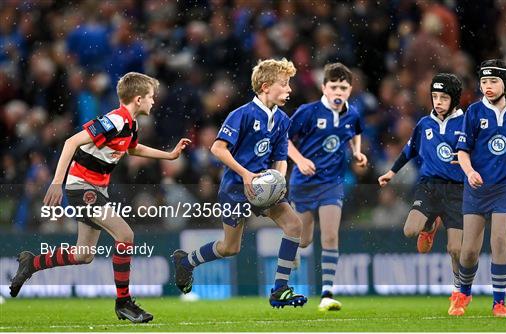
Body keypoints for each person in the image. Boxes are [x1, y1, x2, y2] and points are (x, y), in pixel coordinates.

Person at [9, 72, 191, 323]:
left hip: (95, 189)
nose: (153, 101)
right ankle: (124, 302)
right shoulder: (115, 120)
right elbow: (71, 142)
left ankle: (32, 263)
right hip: (81, 187)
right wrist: (56, 182)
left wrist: (169, 156)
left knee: (84, 254)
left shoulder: (130, 124)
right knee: (125, 235)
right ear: (138, 99)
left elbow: (132, 148)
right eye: (150, 97)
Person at [171, 58, 308, 308]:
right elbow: (218, 148)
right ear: (266, 86)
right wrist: (246, 174)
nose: (289, 89)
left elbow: (280, 157)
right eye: (284, 84)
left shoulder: (282, 120)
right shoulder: (242, 114)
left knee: (294, 225)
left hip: (263, 187)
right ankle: (186, 262)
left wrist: (278, 178)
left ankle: (279, 290)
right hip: (235, 188)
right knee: (229, 247)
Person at [452, 59, 506, 317]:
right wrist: (470, 172)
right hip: (477, 187)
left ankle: (499, 303)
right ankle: (463, 293)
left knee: (499, 242)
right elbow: (462, 152)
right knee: (468, 251)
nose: (487, 86)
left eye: (493, 81)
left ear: (505, 84)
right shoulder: (474, 112)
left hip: (505, 187)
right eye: (484, 81)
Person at [378, 73, 465, 315]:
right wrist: (391, 173)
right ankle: (429, 226)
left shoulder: (467, 123)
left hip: (457, 191)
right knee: (409, 230)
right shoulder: (425, 123)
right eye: (435, 97)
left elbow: (476, 155)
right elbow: (409, 151)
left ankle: (458, 293)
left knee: (456, 250)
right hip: (428, 187)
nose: (438, 102)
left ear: (455, 99)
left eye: (443, 97)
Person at [287, 63, 367, 311]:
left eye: (343, 87)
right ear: (323, 87)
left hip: (331, 183)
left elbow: (355, 131)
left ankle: (327, 294)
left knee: (331, 236)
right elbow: (284, 138)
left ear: (350, 90)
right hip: (303, 184)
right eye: (334, 87)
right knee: (304, 241)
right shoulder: (308, 112)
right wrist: (300, 160)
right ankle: (292, 246)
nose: (338, 92)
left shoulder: (352, 114)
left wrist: (357, 152)